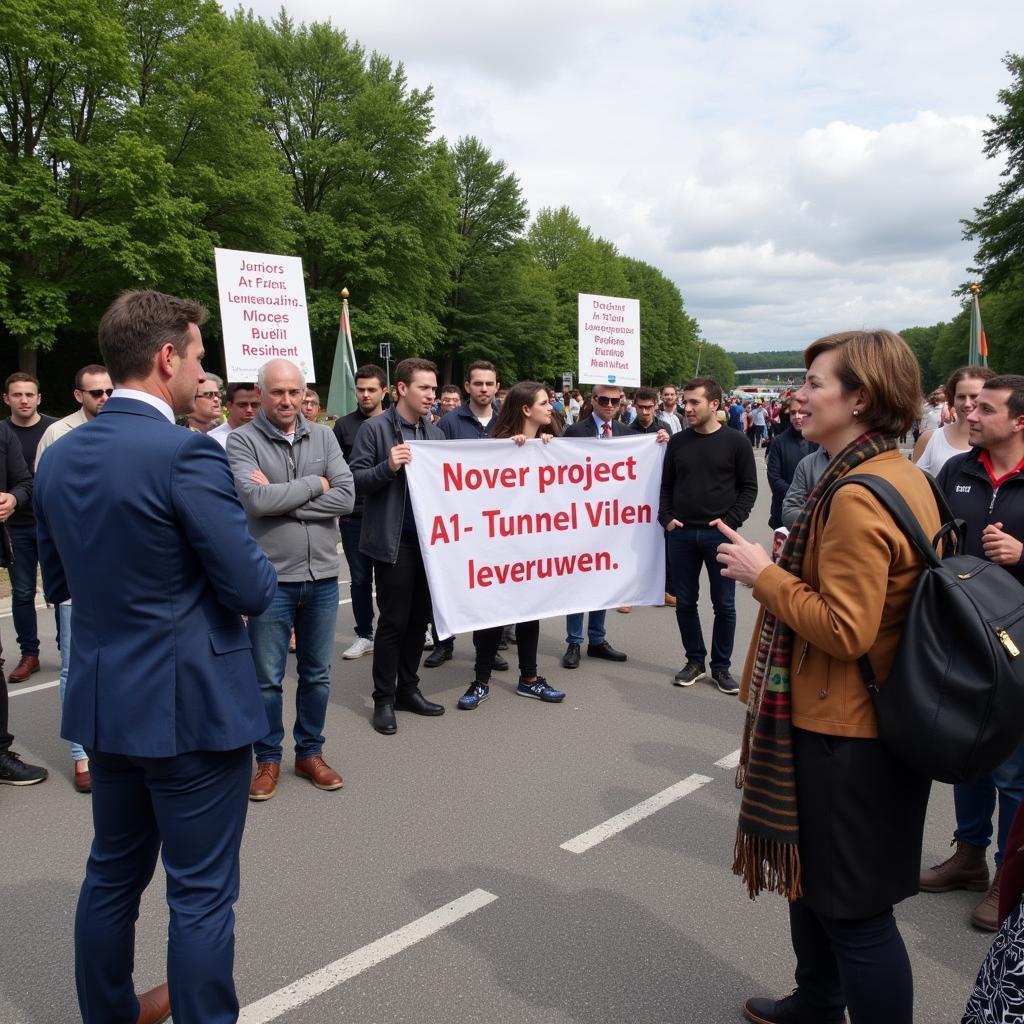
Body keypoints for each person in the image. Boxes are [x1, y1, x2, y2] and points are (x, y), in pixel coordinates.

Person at [34, 289, 277, 1024]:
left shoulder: (59, 456)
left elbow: (62, 582)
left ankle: (107, 1013)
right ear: (167, 357)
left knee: (111, 873)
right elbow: (251, 586)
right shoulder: (185, 455)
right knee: (200, 894)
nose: (202, 370)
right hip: (192, 707)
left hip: (108, 701)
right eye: (199, 356)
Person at [716, 329, 940, 1024]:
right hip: (849, 721)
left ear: (862, 397)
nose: (798, 395)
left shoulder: (856, 494)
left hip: (849, 731)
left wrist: (766, 576)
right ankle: (817, 1001)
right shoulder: (896, 472)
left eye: (815, 383)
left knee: (857, 916)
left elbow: (847, 629)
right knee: (815, 888)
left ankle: (828, 1000)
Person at [920, 374, 1024, 932]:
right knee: (968, 750)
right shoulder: (957, 470)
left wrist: (1022, 553)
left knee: (1013, 767)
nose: (970, 414)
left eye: (986, 408)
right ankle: (968, 857)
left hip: (1019, 649)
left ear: (1019, 421)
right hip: (965, 637)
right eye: (970, 405)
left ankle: (1010, 874)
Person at [226, 359, 354, 801]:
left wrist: (287, 499)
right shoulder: (241, 441)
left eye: (294, 392)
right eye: (277, 392)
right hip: (272, 580)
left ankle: (310, 752)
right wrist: (316, 484)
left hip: (321, 577)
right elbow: (255, 500)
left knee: (317, 676)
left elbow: (348, 494)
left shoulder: (322, 435)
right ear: (260, 394)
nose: (286, 401)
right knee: (266, 679)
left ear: (304, 394)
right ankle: (267, 759)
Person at [349, 357, 446, 735]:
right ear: (403, 389)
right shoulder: (375, 430)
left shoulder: (434, 434)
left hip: (429, 544)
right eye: (425, 388)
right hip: (393, 542)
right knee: (393, 622)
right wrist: (386, 467)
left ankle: (409, 688)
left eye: (435, 389)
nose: (432, 396)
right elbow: (356, 480)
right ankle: (383, 699)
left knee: (419, 620)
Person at [456, 381, 566, 710]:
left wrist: (546, 449)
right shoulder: (495, 447)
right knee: (492, 615)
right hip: (498, 548)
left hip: (533, 546)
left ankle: (530, 679)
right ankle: (480, 681)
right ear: (525, 409)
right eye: (545, 403)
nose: (551, 408)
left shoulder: (550, 444)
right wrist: (507, 451)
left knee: (530, 613)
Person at [660, 377, 756, 695]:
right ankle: (695, 661)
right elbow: (667, 485)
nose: (686, 408)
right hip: (682, 535)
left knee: (724, 604)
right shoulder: (678, 443)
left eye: (693, 402)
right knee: (685, 602)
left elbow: (748, 488)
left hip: (720, 537)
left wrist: (730, 521)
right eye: (685, 402)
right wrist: (667, 519)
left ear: (714, 404)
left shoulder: (736, 442)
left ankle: (722, 667)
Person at [559, 383, 631, 669]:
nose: (610, 405)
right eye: (604, 399)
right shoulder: (576, 432)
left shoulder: (628, 434)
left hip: (612, 522)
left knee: (603, 579)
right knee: (578, 582)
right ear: (593, 400)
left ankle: (597, 639)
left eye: (616, 400)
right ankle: (574, 641)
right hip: (580, 519)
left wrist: (661, 440)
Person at [1, 372, 55, 684]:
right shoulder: (2, 432)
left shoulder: (54, 429)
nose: (24, 400)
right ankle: (29, 653)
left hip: (53, 525)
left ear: (38, 398)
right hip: (17, 527)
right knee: (22, 592)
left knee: (61, 591)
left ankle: (69, 648)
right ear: (7, 399)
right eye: (17, 395)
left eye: (29, 395)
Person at [333, 364, 388, 660]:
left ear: (384, 391)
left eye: (371, 390)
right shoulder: (343, 426)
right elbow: (338, 471)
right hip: (355, 516)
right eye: (360, 389)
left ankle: (398, 631)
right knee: (359, 579)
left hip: (390, 515)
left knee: (392, 579)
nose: (365, 395)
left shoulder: (397, 423)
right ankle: (364, 634)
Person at [912, 365, 994, 476]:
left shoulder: (1002, 442)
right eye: (961, 397)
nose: (967, 404)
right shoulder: (929, 439)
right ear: (952, 399)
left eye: (974, 396)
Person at [766, 411, 817, 529]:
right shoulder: (778, 442)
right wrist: (798, 496)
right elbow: (774, 479)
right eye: (793, 413)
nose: (797, 417)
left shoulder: (821, 441)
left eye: (802, 412)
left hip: (815, 513)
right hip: (783, 513)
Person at [208, 382, 260, 449]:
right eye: (242, 405)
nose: (249, 410)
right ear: (229, 406)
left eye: (255, 405)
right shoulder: (213, 441)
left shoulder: (270, 437)